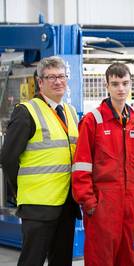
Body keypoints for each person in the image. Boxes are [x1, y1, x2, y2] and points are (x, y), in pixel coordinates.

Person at [0, 56, 81, 266]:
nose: (57, 81)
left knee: (62, 260)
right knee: (32, 260)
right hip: (37, 205)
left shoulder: (71, 113)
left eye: (61, 76)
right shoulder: (26, 112)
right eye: (51, 77)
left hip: (66, 204)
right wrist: (23, 190)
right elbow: (8, 159)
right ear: (40, 81)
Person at [72, 63, 134, 266]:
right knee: (100, 258)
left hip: (129, 203)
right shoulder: (92, 120)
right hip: (103, 204)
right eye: (115, 84)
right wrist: (88, 201)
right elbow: (81, 165)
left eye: (125, 83)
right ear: (107, 86)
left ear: (131, 85)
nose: (121, 88)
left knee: (126, 256)